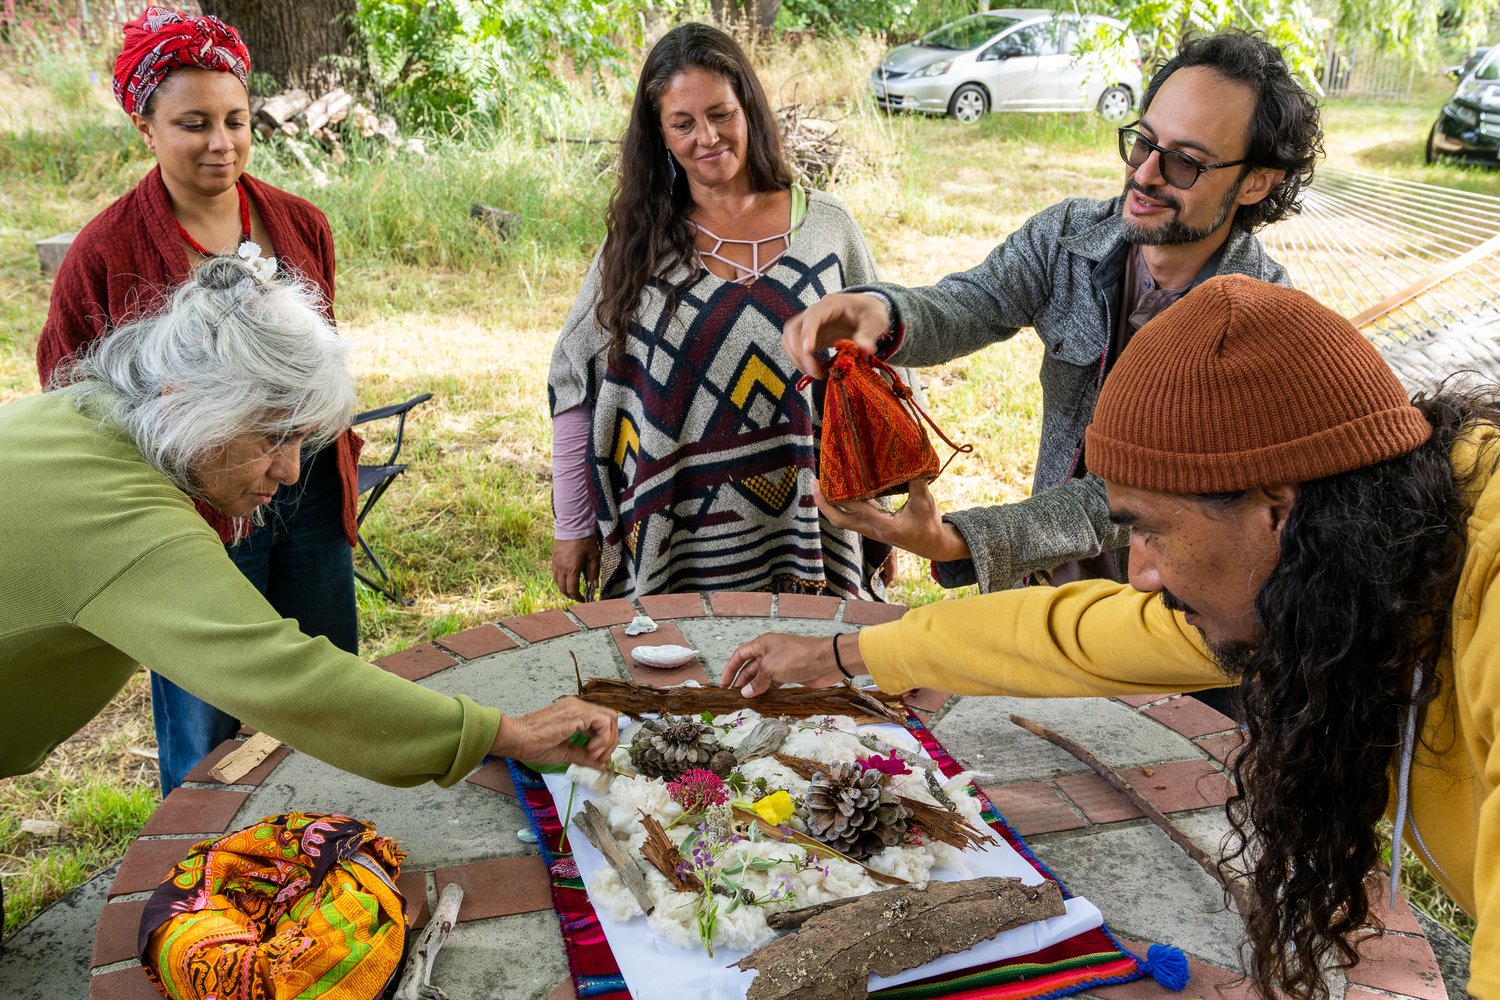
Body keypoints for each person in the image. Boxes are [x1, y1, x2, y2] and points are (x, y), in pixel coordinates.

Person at [722, 276, 1500, 999]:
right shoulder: (1336, 563)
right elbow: (1073, 634)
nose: (1142, 576)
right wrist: (844, 653)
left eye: (1151, 531)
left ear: (1277, 505)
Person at [4, 256, 618, 795]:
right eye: (272, 436)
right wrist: (504, 733)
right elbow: (284, 677)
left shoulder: (77, 417)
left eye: (301, 441)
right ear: (181, 401)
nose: (292, 471)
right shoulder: (129, 524)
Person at [780, 31, 1323, 595]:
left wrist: (956, 540)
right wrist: (883, 310)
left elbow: (1116, 498)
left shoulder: (1263, 324)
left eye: (1185, 162)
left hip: (1180, 608)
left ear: (1257, 181)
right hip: (1048, 581)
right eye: (1142, 142)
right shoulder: (1068, 236)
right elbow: (976, 302)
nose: (1144, 175)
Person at [36, 7, 362, 792]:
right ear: (145, 126)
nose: (221, 143)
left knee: (324, 668)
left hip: (308, 481)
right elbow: (66, 390)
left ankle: (331, 817)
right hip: (190, 508)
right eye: (193, 123)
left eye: (236, 120)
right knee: (206, 698)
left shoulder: (298, 223)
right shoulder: (104, 252)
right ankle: (197, 861)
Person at [548, 22, 900, 602]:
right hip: (677, 535)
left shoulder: (829, 230)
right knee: (686, 684)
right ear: (659, 135)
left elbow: (880, 377)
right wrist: (574, 524)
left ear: (749, 111)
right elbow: (574, 377)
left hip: (820, 524)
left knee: (815, 683)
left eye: (721, 114)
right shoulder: (637, 247)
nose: (707, 137)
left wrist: (885, 513)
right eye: (682, 124)